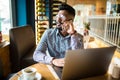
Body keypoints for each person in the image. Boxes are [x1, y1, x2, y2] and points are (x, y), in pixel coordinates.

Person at [33, 3, 84, 67]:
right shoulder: (48, 34)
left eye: (62, 17)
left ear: (71, 21)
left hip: (71, 68)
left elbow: (78, 59)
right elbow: (36, 54)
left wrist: (73, 34)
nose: (58, 20)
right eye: (57, 16)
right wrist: (53, 60)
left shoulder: (79, 38)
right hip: (54, 67)